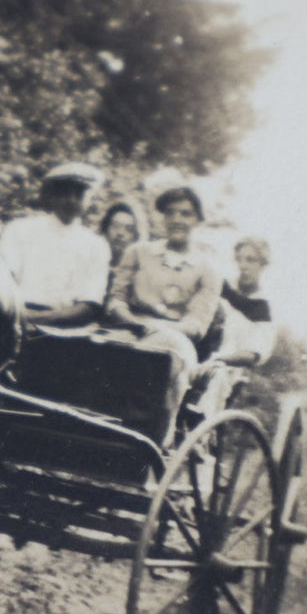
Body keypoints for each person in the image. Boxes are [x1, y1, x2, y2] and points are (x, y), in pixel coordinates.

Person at [105, 184, 222, 444]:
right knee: (97, 351)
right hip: (129, 329)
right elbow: (116, 299)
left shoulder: (207, 269)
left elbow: (197, 324)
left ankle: (153, 446)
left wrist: (160, 330)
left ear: (198, 220)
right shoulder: (139, 252)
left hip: (177, 340)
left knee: (166, 360)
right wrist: (131, 322)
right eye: (171, 213)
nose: (177, 220)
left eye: (186, 214)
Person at [0, 162, 111, 328]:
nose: (71, 200)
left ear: (89, 199)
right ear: (52, 196)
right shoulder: (20, 230)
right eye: (64, 192)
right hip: (16, 320)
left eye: (79, 193)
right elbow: (2, 285)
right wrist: (20, 316)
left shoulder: (97, 245)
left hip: (68, 325)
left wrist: (39, 318)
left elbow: (90, 304)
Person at [206, 235, 277, 368]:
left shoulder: (263, 307)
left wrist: (218, 361)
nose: (243, 266)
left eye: (250, 260)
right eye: (239, 259)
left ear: (263, 264)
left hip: (229, 371)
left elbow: (253, 354)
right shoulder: (221, 288)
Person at [99, 200, 146, 268]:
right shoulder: (92, 262)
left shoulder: (139, 271)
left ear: (135, 237)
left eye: (129, 229)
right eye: (116, 226)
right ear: (105, 229)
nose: (120, 233)